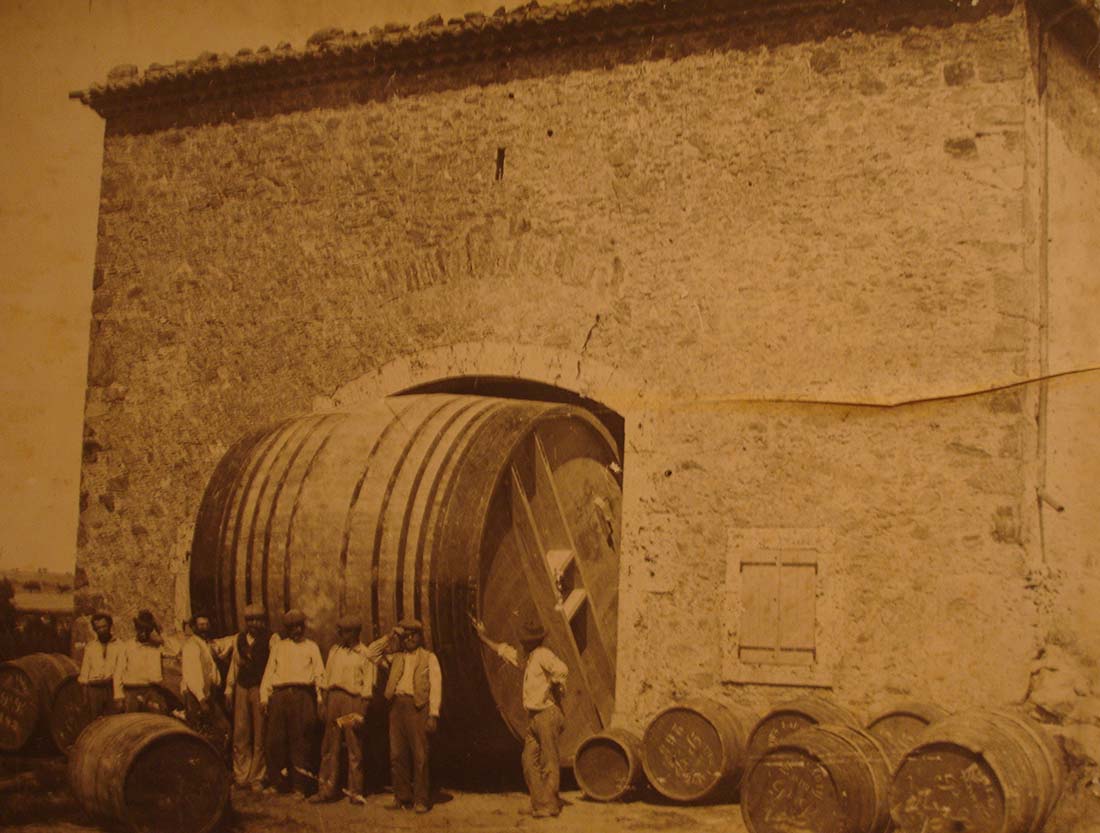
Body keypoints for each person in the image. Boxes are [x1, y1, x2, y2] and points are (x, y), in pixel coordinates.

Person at [473, 616, 568, 818]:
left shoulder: (542, 654)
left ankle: (549, 805)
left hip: (546, 714)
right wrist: (483, 637)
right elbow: (504, 651)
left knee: (548, 760)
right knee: (528, 760)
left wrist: (555, 687)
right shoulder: (529, 657)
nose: (523, 642)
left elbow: (561, 669)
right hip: (534, 717)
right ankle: (539, 801)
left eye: (526, 639)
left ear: (533, 641)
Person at [364, 618, 441, 814]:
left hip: (418, 708)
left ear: (420, 636)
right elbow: (371, 653)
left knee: (420, 755)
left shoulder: (429, 657)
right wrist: (391, 635)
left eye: (413, 635)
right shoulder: (394, 658)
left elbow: (436, 687)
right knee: (397, 754)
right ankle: (401, 796)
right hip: (396, 707)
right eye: (405, 635)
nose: (409, 639)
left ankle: (421, 799)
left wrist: (433, 714)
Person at [310, 615, 377, 804]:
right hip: (334, 701)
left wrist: (362, 712)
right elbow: (325, 679)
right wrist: (322, 703)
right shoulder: (335, 650)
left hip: (352, 702)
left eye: (346, 632)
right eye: (341, 631)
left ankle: (355, 792)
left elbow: (368, 688)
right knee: (329, 746)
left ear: (356, 632)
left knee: (354, 747)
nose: (342, 635)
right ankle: (326, 791)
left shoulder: (365, 654)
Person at [259, 608, 324, 798]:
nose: (296, 630)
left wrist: (320, 699)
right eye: (292, 627)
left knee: (301, 742)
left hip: (302, 696)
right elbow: (269, 673)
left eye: (299, 626)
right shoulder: (280, 647)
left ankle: (300, 787)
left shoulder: (312, 647)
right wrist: (264, 697)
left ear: (303, 627)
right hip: (279, 696)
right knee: (274, 742)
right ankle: (277, 783)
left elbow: (320, 675)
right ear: (287, 629)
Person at [222, 603, 272, 790]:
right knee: (241, 733)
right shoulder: (239, 639)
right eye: (250, 620)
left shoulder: (271, 639)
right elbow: (234, 666)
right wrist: (229, 689)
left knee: (260, 733)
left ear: (263, 621)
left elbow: (271, 668)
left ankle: (258, 776)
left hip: (260, 688)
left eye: (258, 619)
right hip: (242, 688)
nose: (254, 623)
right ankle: (241, 775)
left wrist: (266, 693)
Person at [181, 612, 231, 756]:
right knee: (199, 735)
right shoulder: (191, 646)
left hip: (208, 695)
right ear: (194, 627)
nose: (204, 628)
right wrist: (201, 698)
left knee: (219, 731)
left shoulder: (207, 644)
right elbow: (192, 675)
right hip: (196, 697)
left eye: (207, 624)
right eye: (201, 625)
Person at [114, 610, 171, 713]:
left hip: (153, 691)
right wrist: (118, 696)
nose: (144, 633)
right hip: (132, 691)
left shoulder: (157, 646)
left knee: (156, 722)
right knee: (134, 723)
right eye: (141, 629)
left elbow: (175, 651)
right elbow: (118, 672)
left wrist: (161, 634)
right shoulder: (127, 646)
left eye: (147, 630)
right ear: (136, 629)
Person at [77, 611, 121, 718]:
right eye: (98, 628)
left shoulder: (120, 646)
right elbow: (85, 671)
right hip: (94, 688)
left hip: (111, 688)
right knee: (94, 720)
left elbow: (120, 670)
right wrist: (85, 694)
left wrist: (119, 695)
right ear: (95, 629)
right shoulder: (91, 647)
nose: (101, 630)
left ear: (110, 626)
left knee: (112, 720)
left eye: (104, 626)